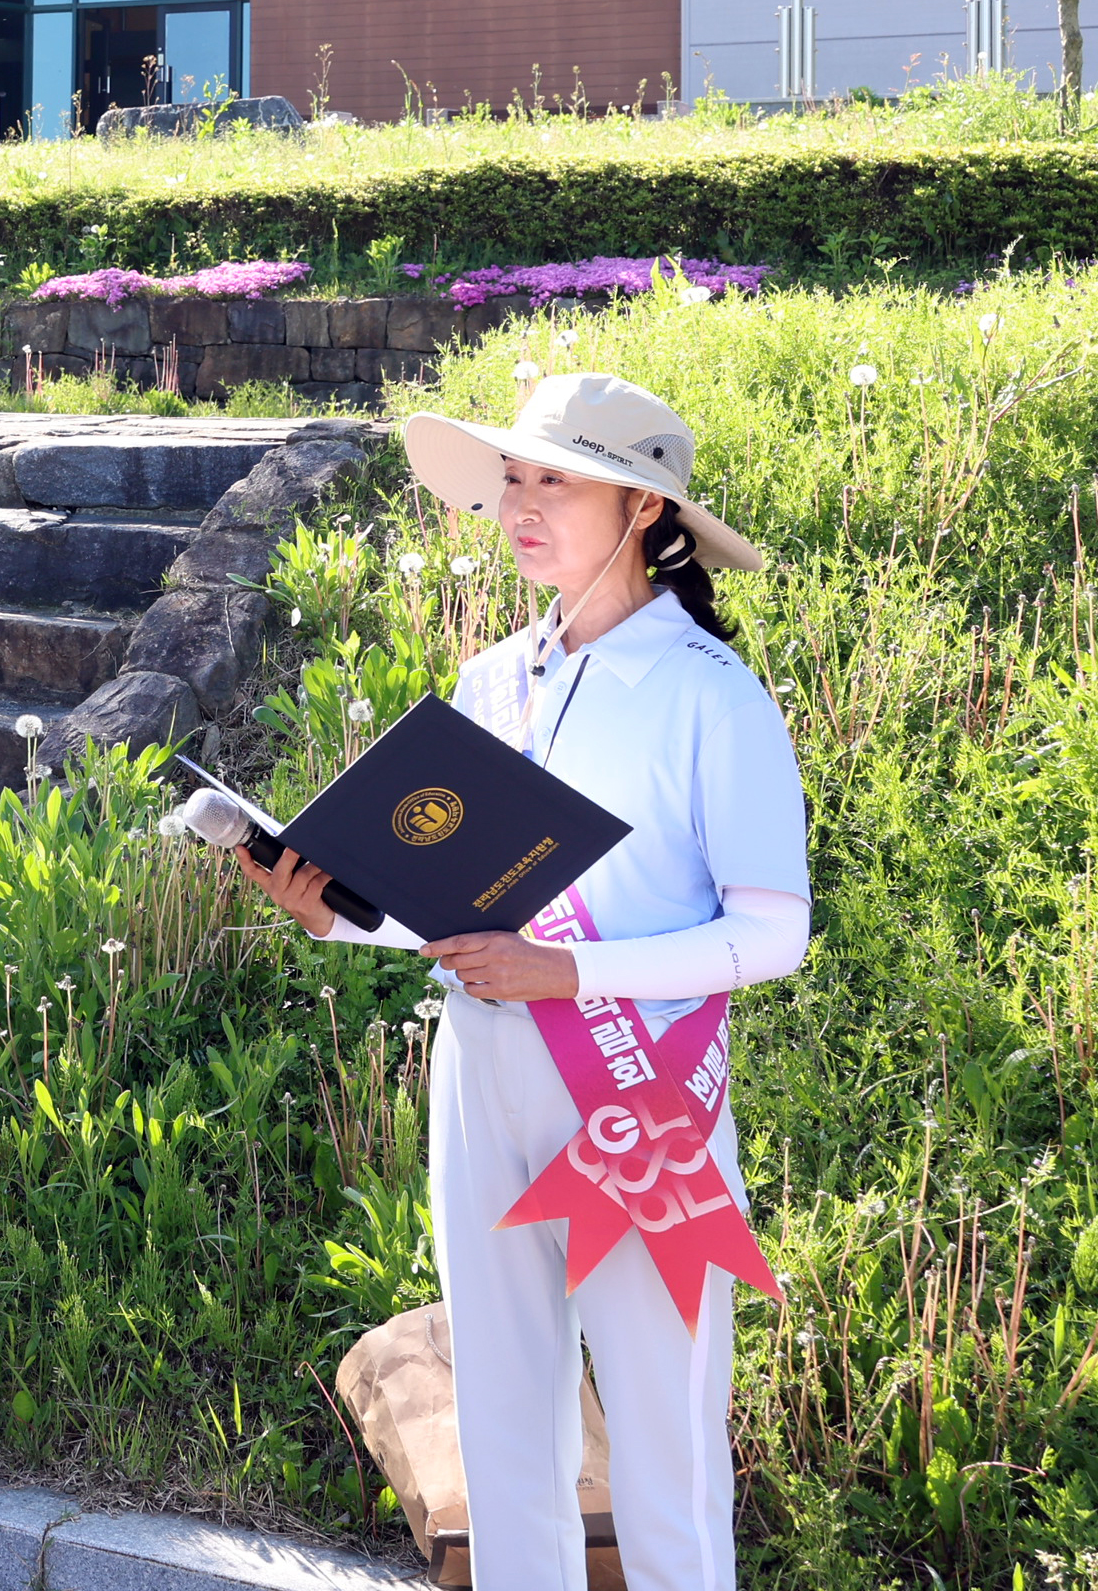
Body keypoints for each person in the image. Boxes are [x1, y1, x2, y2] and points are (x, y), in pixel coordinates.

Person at [184, 373, 804, 1591]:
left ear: (644, 509)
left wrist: (566, 969)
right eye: (511, 477)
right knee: (506, 1423)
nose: (518, 502)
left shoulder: (709, 699)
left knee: (667, 1435)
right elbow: (457, 916)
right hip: (484, 1074)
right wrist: (334, 916)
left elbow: (772, 933)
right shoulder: (490, 682)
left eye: (552, 478)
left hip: (642, 1103)